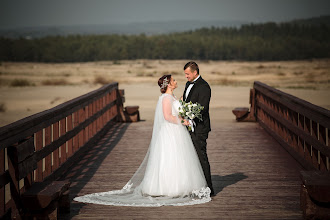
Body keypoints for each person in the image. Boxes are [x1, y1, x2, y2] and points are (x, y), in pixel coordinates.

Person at [73, 75, 211, 207]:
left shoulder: (172, 97)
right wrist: (183, 121)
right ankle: (167, 187)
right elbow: (167, 116)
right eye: (173, 80)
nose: (176, 81)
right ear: (168, 84)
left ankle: (181, 185)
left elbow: (177, 109)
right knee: (169, 158)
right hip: (170, 132)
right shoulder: (166, 98)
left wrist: (185, 111)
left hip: (177, 132)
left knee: (179, 158)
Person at [183, 61, 214, 196]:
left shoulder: (204, 87)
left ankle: (209, 188)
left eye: (187, 74)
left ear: (195, 72)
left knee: (201, 157)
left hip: (200, 128)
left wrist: (190, 118)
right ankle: (196, 185)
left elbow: (203, 108)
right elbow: (186, 102)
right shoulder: (188, 84)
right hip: (188, 127)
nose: (186, 77)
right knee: (191, 157)